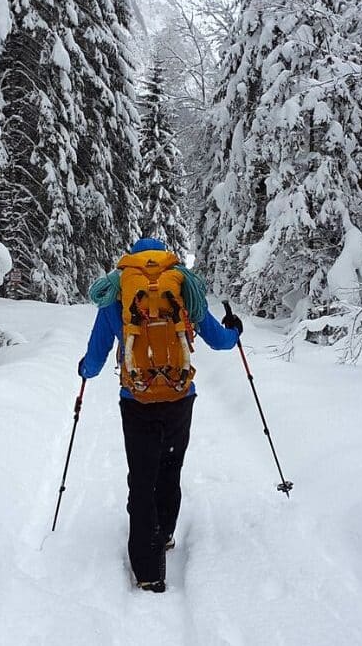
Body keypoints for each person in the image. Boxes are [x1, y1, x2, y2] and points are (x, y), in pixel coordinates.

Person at [78, 238, 243, 593]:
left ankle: (148, 569)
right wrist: (235, 331)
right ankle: (164, 533)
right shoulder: (183, 287)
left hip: (136, 399)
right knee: (170, 467)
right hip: (180, 396)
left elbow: (96, 355)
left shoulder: (117, 290)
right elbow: (220, 340)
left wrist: (85, 371)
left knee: (141, 477)